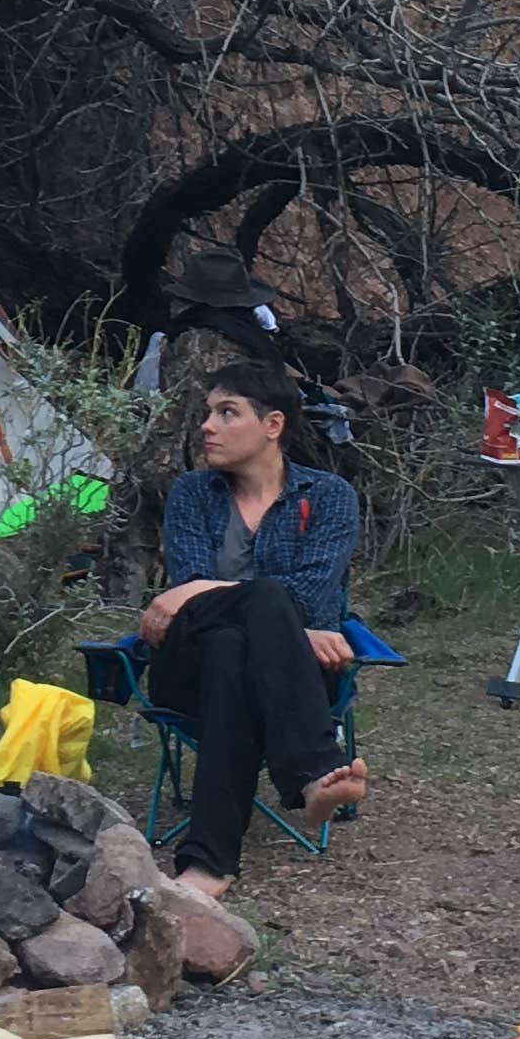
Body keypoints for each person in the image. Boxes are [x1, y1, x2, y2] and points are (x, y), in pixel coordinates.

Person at [137, 358, 368, 896]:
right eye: (208, 413)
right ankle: (313, 770)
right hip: (185, 669)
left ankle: (209, 865)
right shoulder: (193, 494)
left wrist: (193, 591)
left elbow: (307, 594)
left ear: (272, 425)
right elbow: (196, 597)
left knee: (232, 648)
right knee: (250, 612)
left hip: (291, 671)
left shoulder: (328, 496)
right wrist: (278, 619)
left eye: (226, 413)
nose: (207, 426)